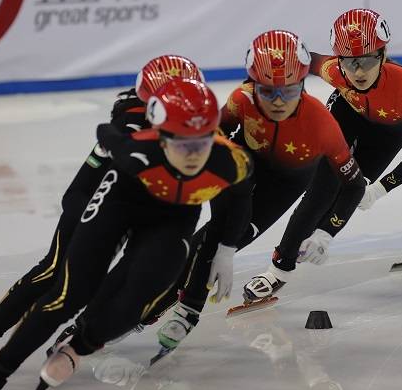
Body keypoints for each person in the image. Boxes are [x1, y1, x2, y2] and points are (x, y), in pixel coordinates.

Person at [0, 77, 253, 390]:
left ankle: (78, 347)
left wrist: (226, 248)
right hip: (120, 205)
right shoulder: (135, 151)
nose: (194, 154)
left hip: (173, 219)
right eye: (182, 143)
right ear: (161, 137)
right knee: (68, 295)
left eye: (203, 141)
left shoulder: (231, 161)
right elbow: (104, 136)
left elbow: (239, 200)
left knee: (141, 294)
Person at [0, 56, 204, 375]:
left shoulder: (200, 127)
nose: (180, 125)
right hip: (103, 206)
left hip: (153, 211)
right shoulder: (128, 126)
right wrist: (92, 230)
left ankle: (103, 325)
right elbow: (77, 193)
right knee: (55, 269)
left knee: (150, 266)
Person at [152, 29, 365, 356]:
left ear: (304, 85)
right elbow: (209, 138)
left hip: (287, 182)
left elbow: (354, 185)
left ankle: (180, 309)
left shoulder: (323, 125)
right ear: (253, 85)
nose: (278, 102)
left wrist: (326, 231)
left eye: (290, 91)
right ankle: (163, 303)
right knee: (208, 241)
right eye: (267, 92)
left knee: (220, 241)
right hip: (245, 165)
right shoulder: (241, 99)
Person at [296, 8, 402, 254]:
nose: (358, 71)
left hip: (388, 133)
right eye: (349, 62)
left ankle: (319, 239)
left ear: (383, 54)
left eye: (367, 60)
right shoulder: (335, 70)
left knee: (350, 191)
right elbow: (302, 60)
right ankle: (284, 259)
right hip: (348, 112)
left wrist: (380, 190)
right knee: (321, 187)